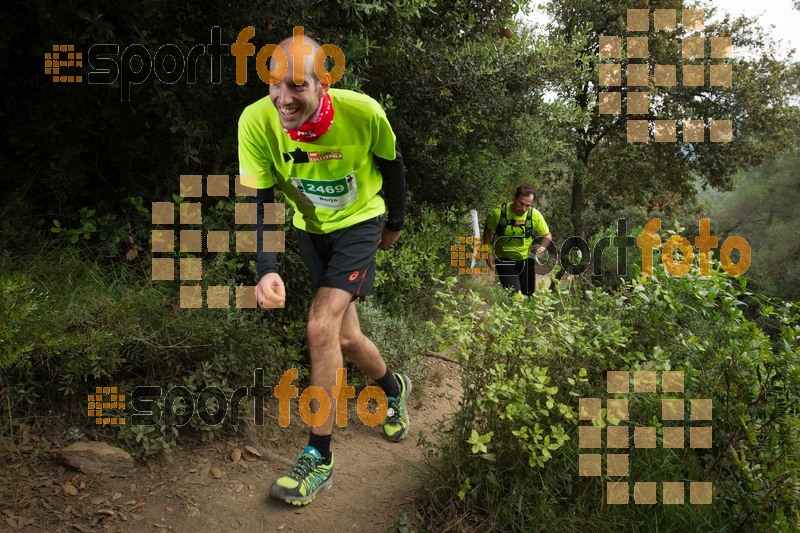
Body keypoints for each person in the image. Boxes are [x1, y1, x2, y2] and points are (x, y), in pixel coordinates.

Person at [237, 32, 410, 506]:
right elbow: (259, 197)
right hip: (310, 228)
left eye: (296, 86)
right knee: (347, 337)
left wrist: (394, 223)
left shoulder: (363, 112)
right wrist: (267, 267)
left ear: (325, 83)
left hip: (361, 222)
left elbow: (392, 167)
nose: (283, 98)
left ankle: (319, 456)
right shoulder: (255, 121)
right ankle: (395, 390)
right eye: (275, 84)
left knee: (319, 324)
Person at [483, 185, 553, 296]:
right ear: (514, 198)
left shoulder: (534, 215)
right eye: (521, 203)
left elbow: (547, 234)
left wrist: (543, 247)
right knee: (514, 295)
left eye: (528, 205)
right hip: (504, 258)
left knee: (528, 295)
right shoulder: (498, 212)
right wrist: (488, 251)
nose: (523, 209)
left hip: (526, 259)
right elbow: (488, 229)